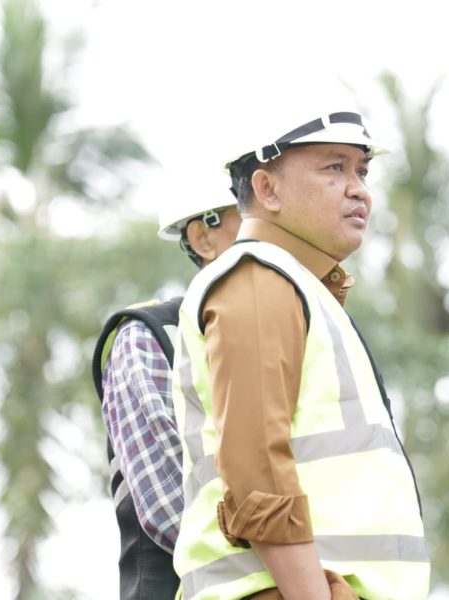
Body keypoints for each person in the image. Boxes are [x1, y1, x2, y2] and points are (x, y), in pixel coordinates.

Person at [170, 108, 430, 600]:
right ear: (267, 189)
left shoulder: (302, 289)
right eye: (334, 168)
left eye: (362, 170)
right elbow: (256, 470)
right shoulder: (258, 277)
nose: (359, 189)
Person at [91, 190, 241, 600]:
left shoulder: (298, 336)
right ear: (203, 238)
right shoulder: (148, 337)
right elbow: (174, 509)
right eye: (253, 218)